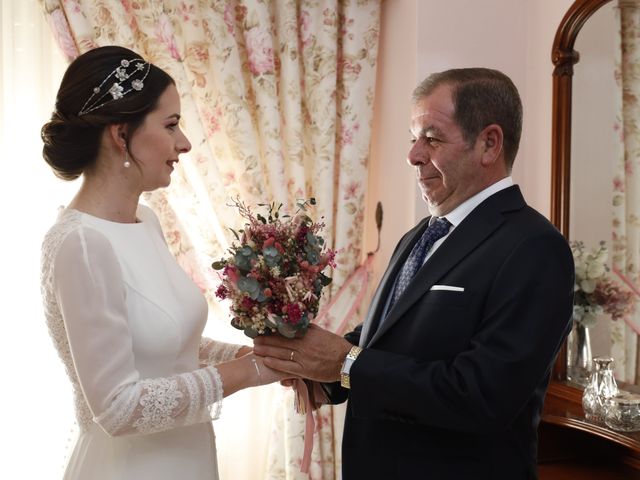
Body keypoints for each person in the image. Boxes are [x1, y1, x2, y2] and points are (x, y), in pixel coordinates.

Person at [253, 68, 575, 479]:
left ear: (489, 144)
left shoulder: (535, 248)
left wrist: (346, 364)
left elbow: (482, 395)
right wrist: (318, 373)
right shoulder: (419, 234)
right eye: (413, 138)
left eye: (432, 138)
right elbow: (384, 338)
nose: (413, 155)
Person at [40, 46, 287, 480]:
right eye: (171, 124)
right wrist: (247, 371)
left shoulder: (145, 221)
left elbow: (169, 345)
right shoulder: (81, 244)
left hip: (187, 461)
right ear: (121, 135)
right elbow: (117, 408)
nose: (184, 142)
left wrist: (257, 356)